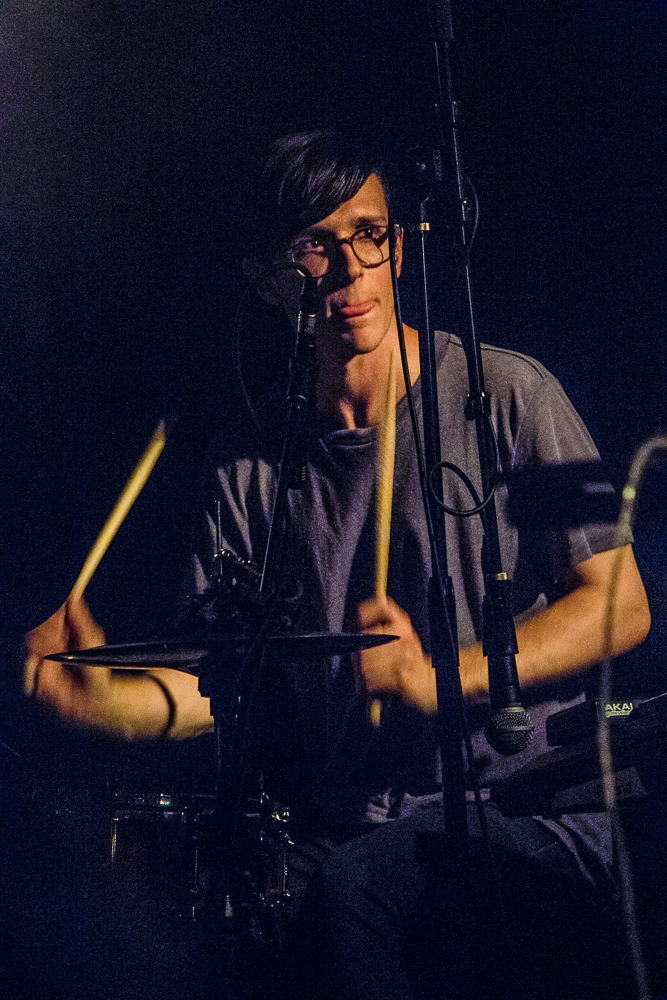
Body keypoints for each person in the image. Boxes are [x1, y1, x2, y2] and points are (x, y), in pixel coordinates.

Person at [26, 130, 650, 998]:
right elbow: (220, 688)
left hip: (531, 807)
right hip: (351, 823)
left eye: (368, 233)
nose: (349, 266)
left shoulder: (504, 392)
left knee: (354, 894)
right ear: (265, 277)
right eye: (313, 244)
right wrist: (99, 703)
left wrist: (442, 677)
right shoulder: (246, 463)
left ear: (397, 244)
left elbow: (620, 601)